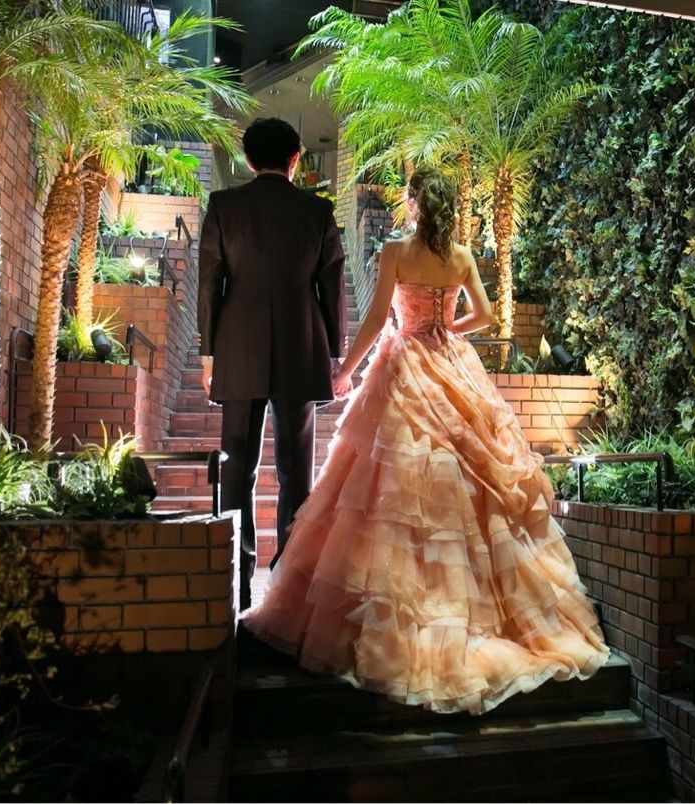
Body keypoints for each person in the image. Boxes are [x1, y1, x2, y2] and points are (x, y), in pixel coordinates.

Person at [243, 166, 609, 715]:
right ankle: (478, 614)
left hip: (406, 361)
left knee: (390, 480)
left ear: (413, 203)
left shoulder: (395, 252)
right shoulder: (460, 257)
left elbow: (375, 319)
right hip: (452, 361)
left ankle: (403, 616)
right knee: (465, 474)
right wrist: (449, 330)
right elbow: (486, 315)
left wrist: (346, 370)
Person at [197, 118, 347, 612]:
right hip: (301, 349)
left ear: (247, 159)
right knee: (296, 473)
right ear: (295, 159)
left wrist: (207, 354)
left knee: (236, 470)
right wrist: (335, 354)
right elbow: (332, 286)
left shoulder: (224, 206)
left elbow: (209, 284)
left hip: (237, 349)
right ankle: (288, 588)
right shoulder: (317, 211)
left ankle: (235, 584)